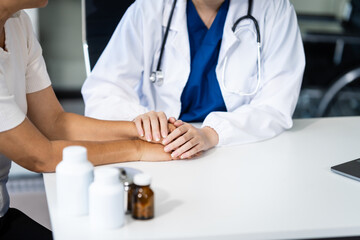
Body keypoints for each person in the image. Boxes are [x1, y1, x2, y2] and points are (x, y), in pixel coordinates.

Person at [0, 0, 178, 239]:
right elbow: (40, 156)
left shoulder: (17, 23)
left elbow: (55, 124)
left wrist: (143, 130)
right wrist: (138, 149)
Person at [82, 0, 305, 160]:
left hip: (240, 147)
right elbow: (102, 90)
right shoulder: (149, 8)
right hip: (160, 149)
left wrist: (211, 134)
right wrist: (142, 121)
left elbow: (276, 105)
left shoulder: (275, 9)